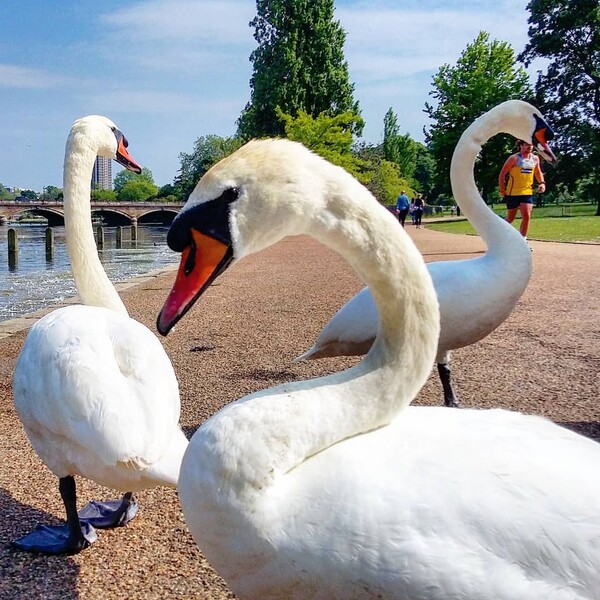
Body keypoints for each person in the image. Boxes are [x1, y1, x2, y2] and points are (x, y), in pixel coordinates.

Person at [498, 139, 546, 240]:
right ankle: (497, 233)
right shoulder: (513, 158)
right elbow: (502, 174)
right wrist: (502, 189)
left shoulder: (535, 159)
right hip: (512, 193)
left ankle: (523, 240)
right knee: (510, 218)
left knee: (527, 215)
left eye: (531, 145)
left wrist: (542, 183)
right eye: (526, 144)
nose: (529, 147)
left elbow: (538, 172)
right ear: (521, 145)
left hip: (527, 192)